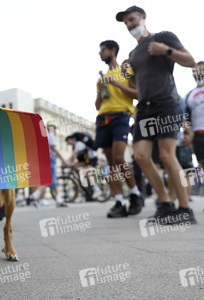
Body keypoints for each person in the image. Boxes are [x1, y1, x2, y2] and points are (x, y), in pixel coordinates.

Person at [116, 6, 196, 224]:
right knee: (140, 156)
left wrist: (166, 51)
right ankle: (166, 205)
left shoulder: (164, 37)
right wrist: (126, 74)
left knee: (166, 156)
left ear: (143, 17)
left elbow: (190, 60)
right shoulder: (133, 54)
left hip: (166, 104)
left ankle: (185, 209)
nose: (130, 25)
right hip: (144, 108)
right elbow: (137, 85)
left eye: (132, 19)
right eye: (126, 23)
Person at [94, 40, 143, 218]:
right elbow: (98, 105)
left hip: (121, 117)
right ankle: (119, 201)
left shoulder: (125, 71)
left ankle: (135, 194)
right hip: (102, 119)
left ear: (113, 50)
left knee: (118, 157)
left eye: (102, 50)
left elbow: (137, 94)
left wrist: (116, 84)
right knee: (110, 162)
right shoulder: (101, 78)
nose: (100, 53)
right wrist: (100, 90)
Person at [28, 124, 69, 207]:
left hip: (46, 159)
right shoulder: (51, 136)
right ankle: (35, 195)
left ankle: (58, 199)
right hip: (50, 159)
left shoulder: (45, 136)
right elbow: (54, 149)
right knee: (49, 179)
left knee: (52, 180)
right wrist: (63, 160)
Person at [183, 61, 204, 193]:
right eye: (195, 71)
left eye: (201, 70)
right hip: (198, 135)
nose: (198, 73)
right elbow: (184, 118)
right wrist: (189, 133)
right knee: (202, 165)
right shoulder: (188, 95)